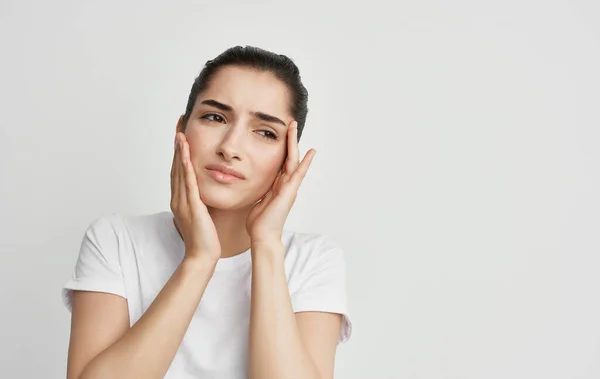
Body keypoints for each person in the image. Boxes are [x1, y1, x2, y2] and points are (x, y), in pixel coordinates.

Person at [61, 45, 352, 379]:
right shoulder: (116, 240)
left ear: (288, 159)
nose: (230, 147)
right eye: (215, 117)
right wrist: (199, 260)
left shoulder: (313, 260)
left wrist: (268, 245)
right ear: (181, 131)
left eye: (265, 132)